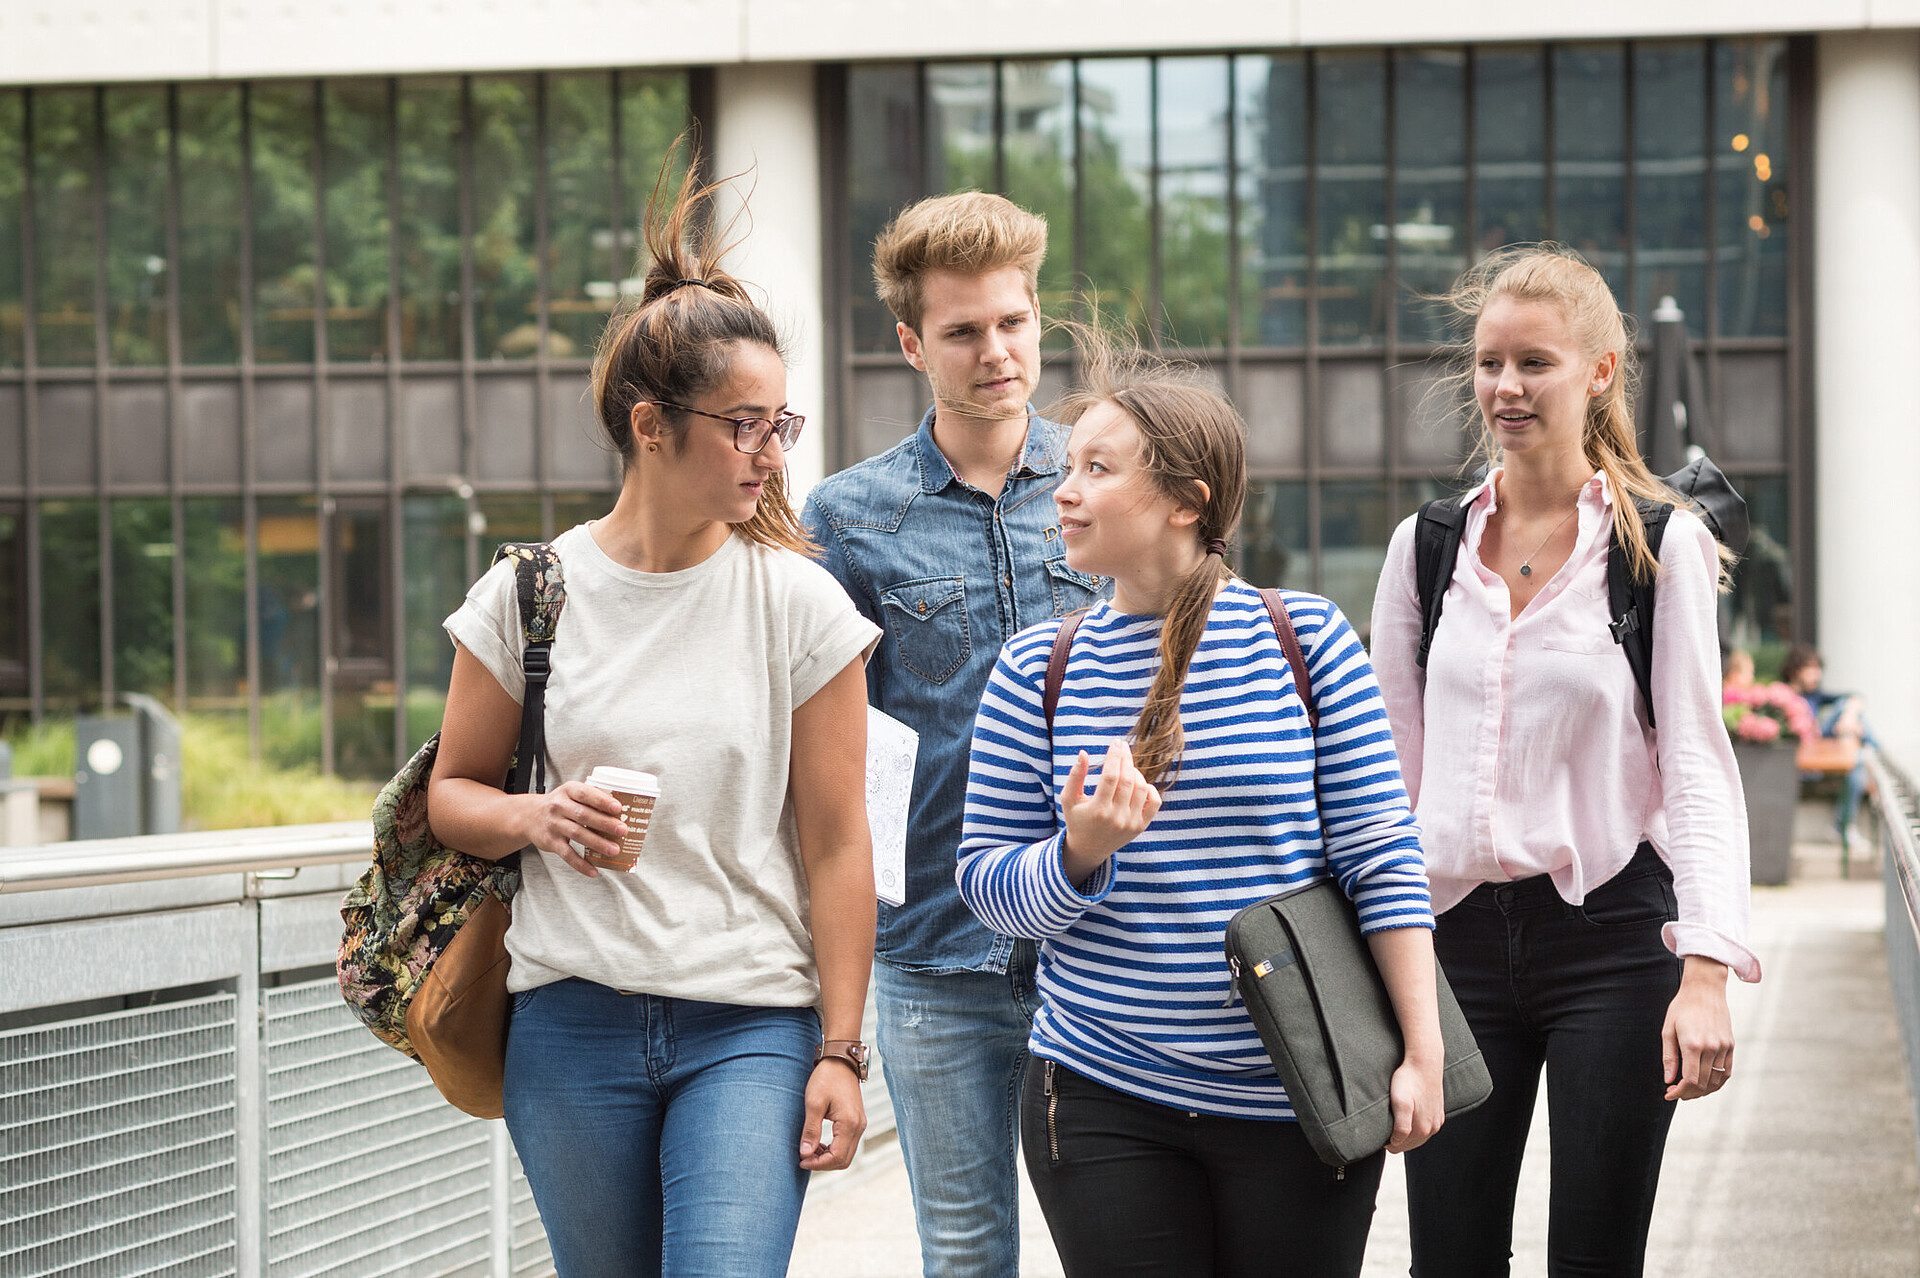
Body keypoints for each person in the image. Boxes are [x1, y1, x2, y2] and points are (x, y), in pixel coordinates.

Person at [426, 162, 882, 1278]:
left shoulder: (799, 603)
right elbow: (453, 797)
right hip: (569, 1024)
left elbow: (838, 843)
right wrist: (538, 818)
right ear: (651, 425)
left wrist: (841, 1051)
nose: (775, 454)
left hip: (751, 1029)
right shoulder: (528, 594)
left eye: (783, 423)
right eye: (746, 426)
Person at [956, 329, 1445, 1278]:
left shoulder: (1301, 637)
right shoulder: (1035, 670)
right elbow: (982, 883)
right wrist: (1078, 854)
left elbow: (1381, 855)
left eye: (1098, 469)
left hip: (1300, 1090)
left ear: (1189, 501)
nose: (1065, 490)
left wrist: (1420, 1050)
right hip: (1097, 1088)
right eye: (1067, 467)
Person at [1368, 244, 1762, 1278]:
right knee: (1448, 1258)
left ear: (1598, 370)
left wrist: (1707, 971)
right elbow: (1386, 775)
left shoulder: (1656, 544)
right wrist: (1381, 955)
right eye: (1490, 363)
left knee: (1596, 1255)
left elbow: (1697, 766)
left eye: (1534, 363)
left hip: (1613, 941)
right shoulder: (1425, 547)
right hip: (1451, 947)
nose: (1505, 387)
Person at [802, 192, 1106, 1276]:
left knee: (1121, 1248)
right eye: (964, 331)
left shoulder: (1109, 480)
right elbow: (825, 762)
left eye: (1013, 323)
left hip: (1110, 941)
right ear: (910, 344)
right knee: (968, 1257)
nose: (997, 352)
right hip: (934, 951)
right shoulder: (844, 518)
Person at [1780, 643, 1876, 841]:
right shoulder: (1782, 697)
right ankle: (1873, 757)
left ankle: (1842, 826)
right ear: (1794, 670)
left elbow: (1856, 697)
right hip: (1803, 759)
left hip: (1820, 751)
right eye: (1810, 668)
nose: (1817, 674)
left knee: (1854, 755)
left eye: (1818, 669)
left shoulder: (1814, 696)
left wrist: (1848, 717)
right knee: (1856, 756)